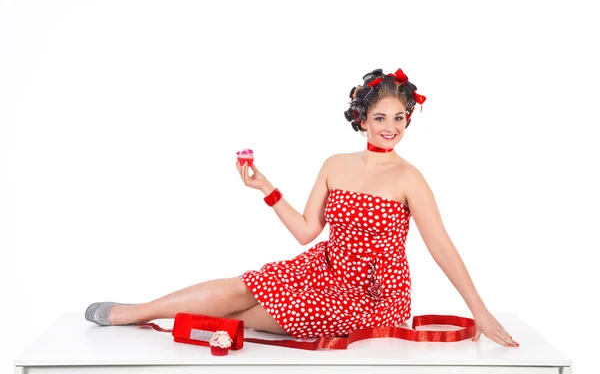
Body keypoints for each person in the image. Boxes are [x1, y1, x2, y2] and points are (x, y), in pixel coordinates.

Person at [85, 67, 519, 347]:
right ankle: (133, 312)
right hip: (322, 266)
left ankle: (153, 319)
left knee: (247, 315)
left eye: (400, 118)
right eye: (381, 118)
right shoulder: (335, 164)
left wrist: (478, 309)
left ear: (409, 118)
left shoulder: (409, 178)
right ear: (362, 119)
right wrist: (266, 188)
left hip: (374, 293)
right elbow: (307, 232)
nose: (391, 128)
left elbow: (440, 246)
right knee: (242, 287)